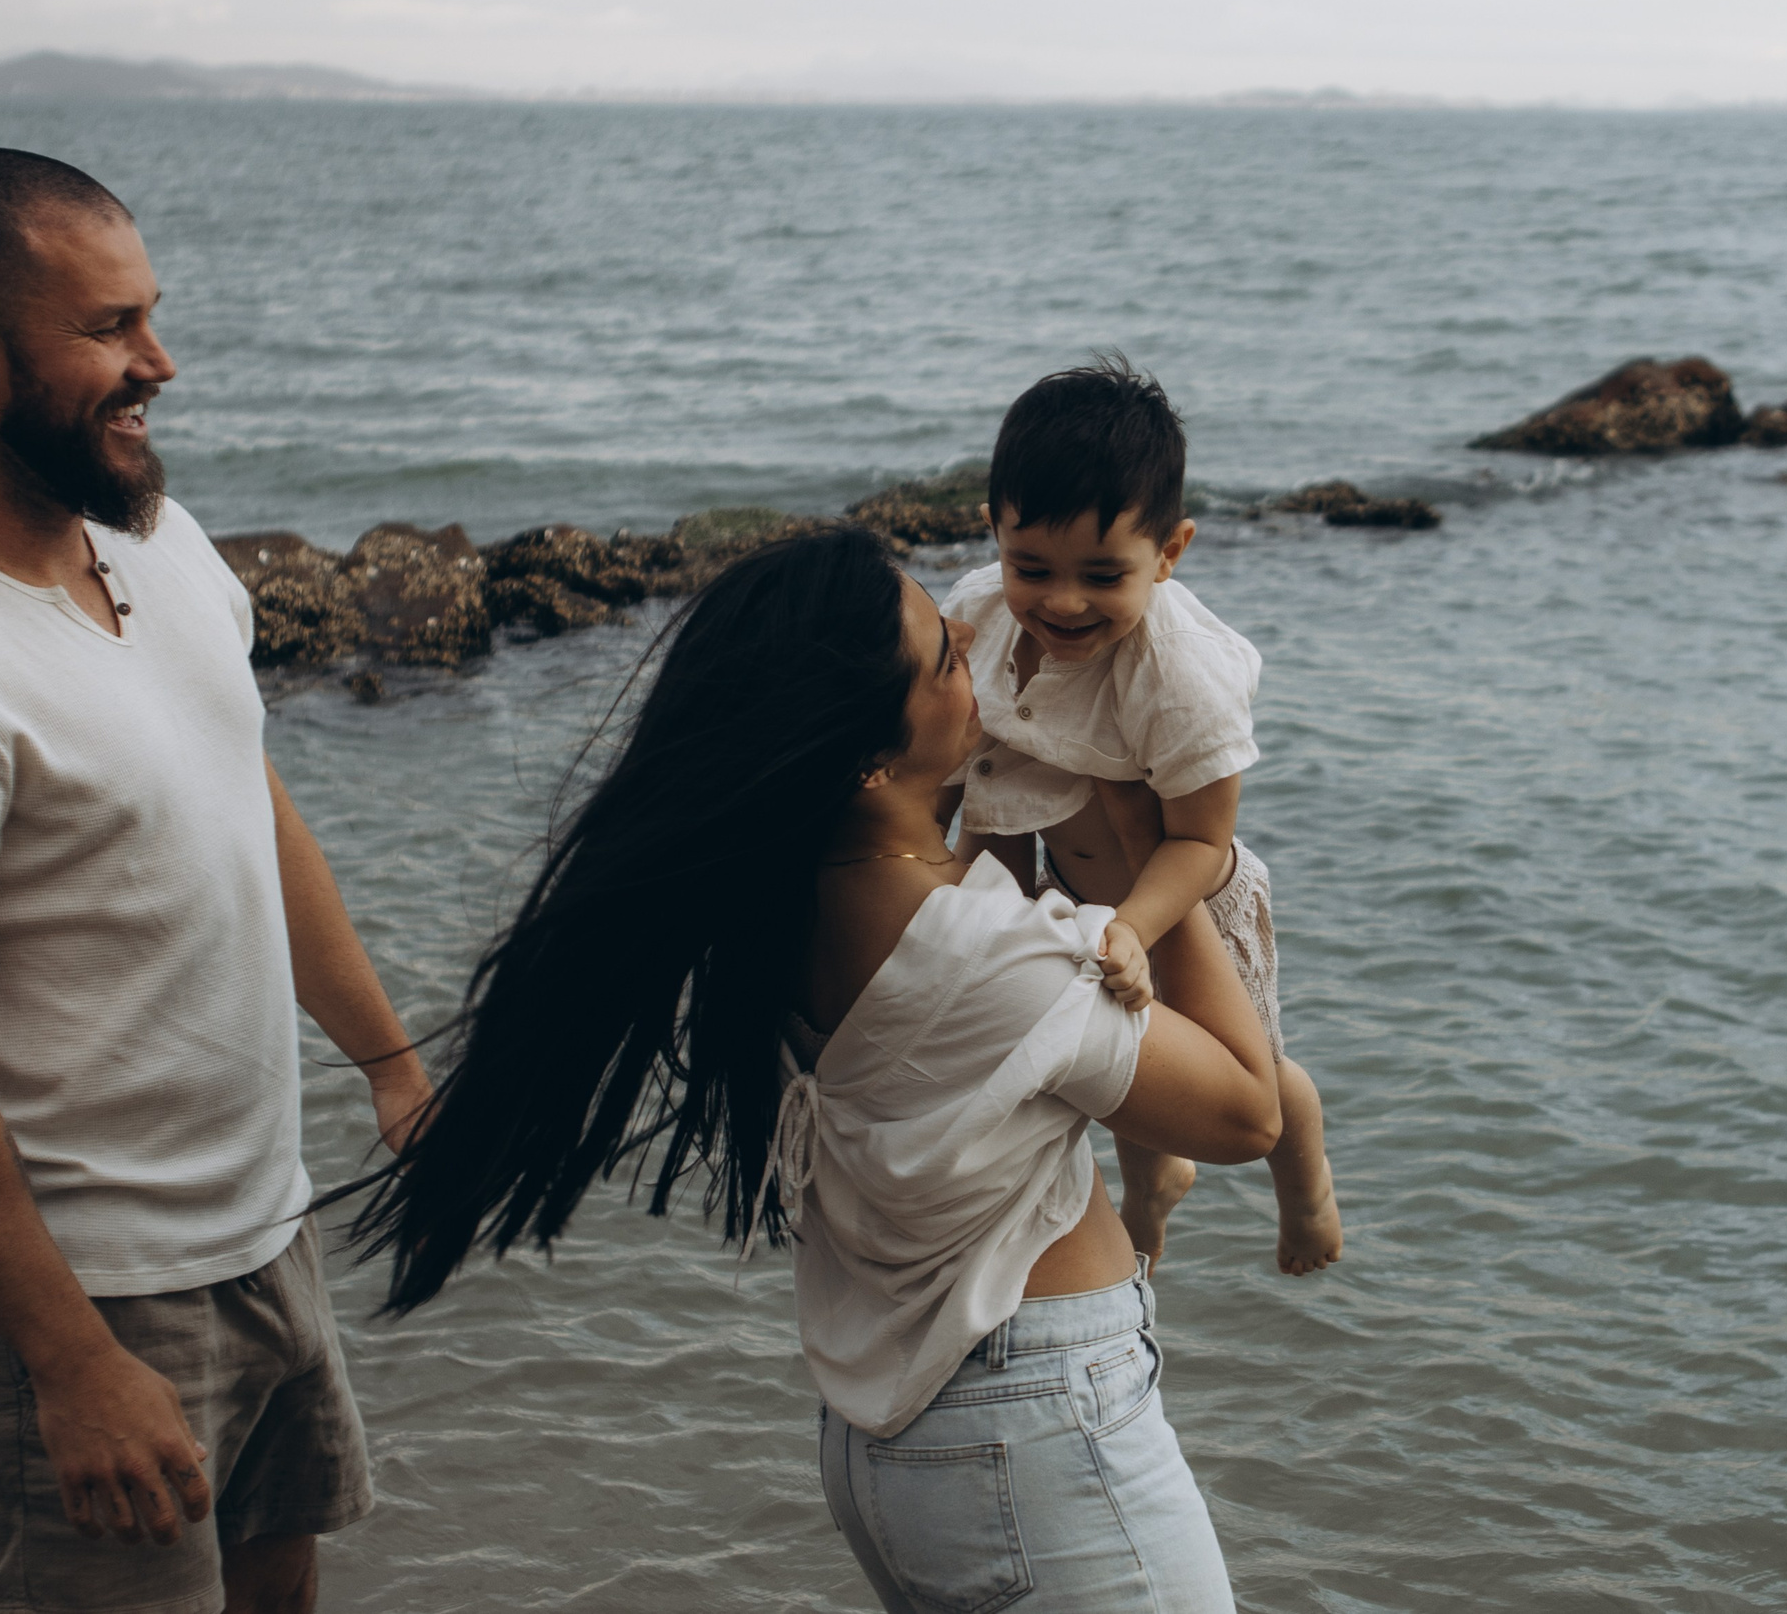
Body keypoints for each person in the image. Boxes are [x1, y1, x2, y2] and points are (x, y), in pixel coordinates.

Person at [332, 527, 1282, 1610]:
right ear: (867, 756)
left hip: (901, 1452)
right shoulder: (985, 955)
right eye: (942, 656)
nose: (973, 634)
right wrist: (1150, 840)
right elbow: (1249, 1115)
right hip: (1042, 1436)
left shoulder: (776, 903)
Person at [0, 148, 434, 1614]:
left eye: (153, 316)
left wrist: (386, 1057)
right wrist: (70, 1363)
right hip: (89, 1286)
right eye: (112, 329)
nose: (160, 361)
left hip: (262, 1224)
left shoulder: (160, 545)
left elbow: (242, 799)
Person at [939, 356, 1344, 1276]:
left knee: (1258, 1071)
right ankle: (1154, 1186)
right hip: (1073, 886)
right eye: (1029, 565)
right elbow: (967, 757)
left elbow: (1202, 840)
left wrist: (1135, 925)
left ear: (1170, 554)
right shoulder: (980, 612)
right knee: (1129, 1068)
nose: (1063, 602)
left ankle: (1307, 1188)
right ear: (993, 531)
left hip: (1186, 897)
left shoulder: (1178, 673)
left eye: (1102, 575)